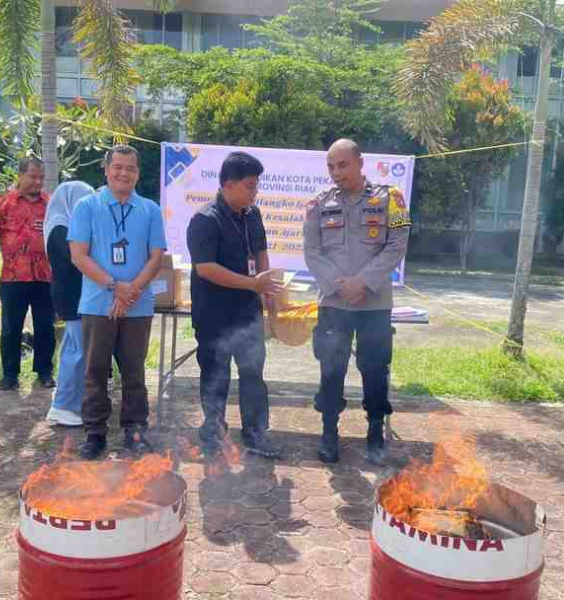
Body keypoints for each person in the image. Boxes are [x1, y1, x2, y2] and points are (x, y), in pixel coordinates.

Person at [303, 139, 411, 466]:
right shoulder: (318, 205)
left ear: (360, 163)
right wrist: (343, 285)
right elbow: (312, 252)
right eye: (331, 167)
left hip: (374, 304)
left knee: (375, 370)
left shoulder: (389, 199)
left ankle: (376, 431)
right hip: (334, 304)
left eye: (343, 165)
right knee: (331, 369)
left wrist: (362, 282)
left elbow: (396, 245)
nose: (337, 173)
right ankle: (328, 432)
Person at [68, 145, 166, 460]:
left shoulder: (150, 209)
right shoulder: (87, 206)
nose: (124, 173)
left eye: (131, 168)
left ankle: (135, 431)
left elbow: (156, 257)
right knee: (95, 371)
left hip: (138, 306)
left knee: (134, 372)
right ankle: (95, 434)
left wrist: (131, 290)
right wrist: (114, 287)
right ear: (106, 170)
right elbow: (78, 256)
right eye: (118, 167)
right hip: (98, 304)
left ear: (138, 173)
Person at [187, 151, 284, 460]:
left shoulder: (252, 214)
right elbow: (206, 269)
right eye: (249, 186)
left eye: (256, 186)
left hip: (247, 314)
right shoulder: (204, 219)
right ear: (228, 184)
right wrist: (252, 284)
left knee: (253, 373)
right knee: (216, 376)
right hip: (214, 315)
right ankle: (213, 434)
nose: (254, 192)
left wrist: (267, 289)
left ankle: (256, 434)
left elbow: (261, 251)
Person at [0, 157, 57, 391]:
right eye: (33, 176)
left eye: (41, 178)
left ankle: (44, 371)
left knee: (45, 327)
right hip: (13, 277)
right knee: (10, 328)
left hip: (45, 277)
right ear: (20, 175)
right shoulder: (3, 204)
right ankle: (10, 374)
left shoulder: (51, 204)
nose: (37, 182)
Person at [43, 180, 94, 426]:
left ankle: (69, 400)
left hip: (75, 293)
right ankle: (63, 406)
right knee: (75, 351)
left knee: (75, 349)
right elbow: (78, 258)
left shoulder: (65, 223)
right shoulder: (60, 228)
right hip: (71, 295)